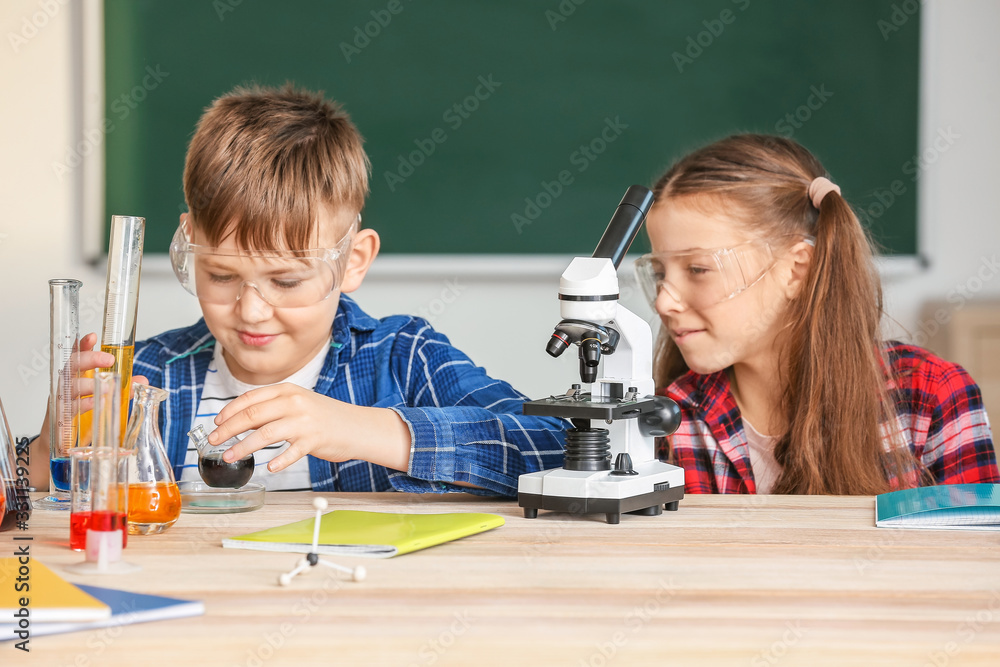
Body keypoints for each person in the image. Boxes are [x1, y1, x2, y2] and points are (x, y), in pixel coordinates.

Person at [31, 84, 565, 496]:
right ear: (189, 244)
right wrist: (55, 443)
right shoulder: (147, 376)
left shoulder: (404, 360)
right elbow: (31, 499)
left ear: (353, 261)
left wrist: (366, 430)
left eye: (285, 280)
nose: (252, 311)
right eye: (221, 276)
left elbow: (559, 446)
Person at [633, 134, 998, 494]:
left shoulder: (931, 396)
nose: (664, 303)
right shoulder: (670, 420)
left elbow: (973, 549)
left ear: (796, 270)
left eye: (698, 269)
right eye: (660, 274)